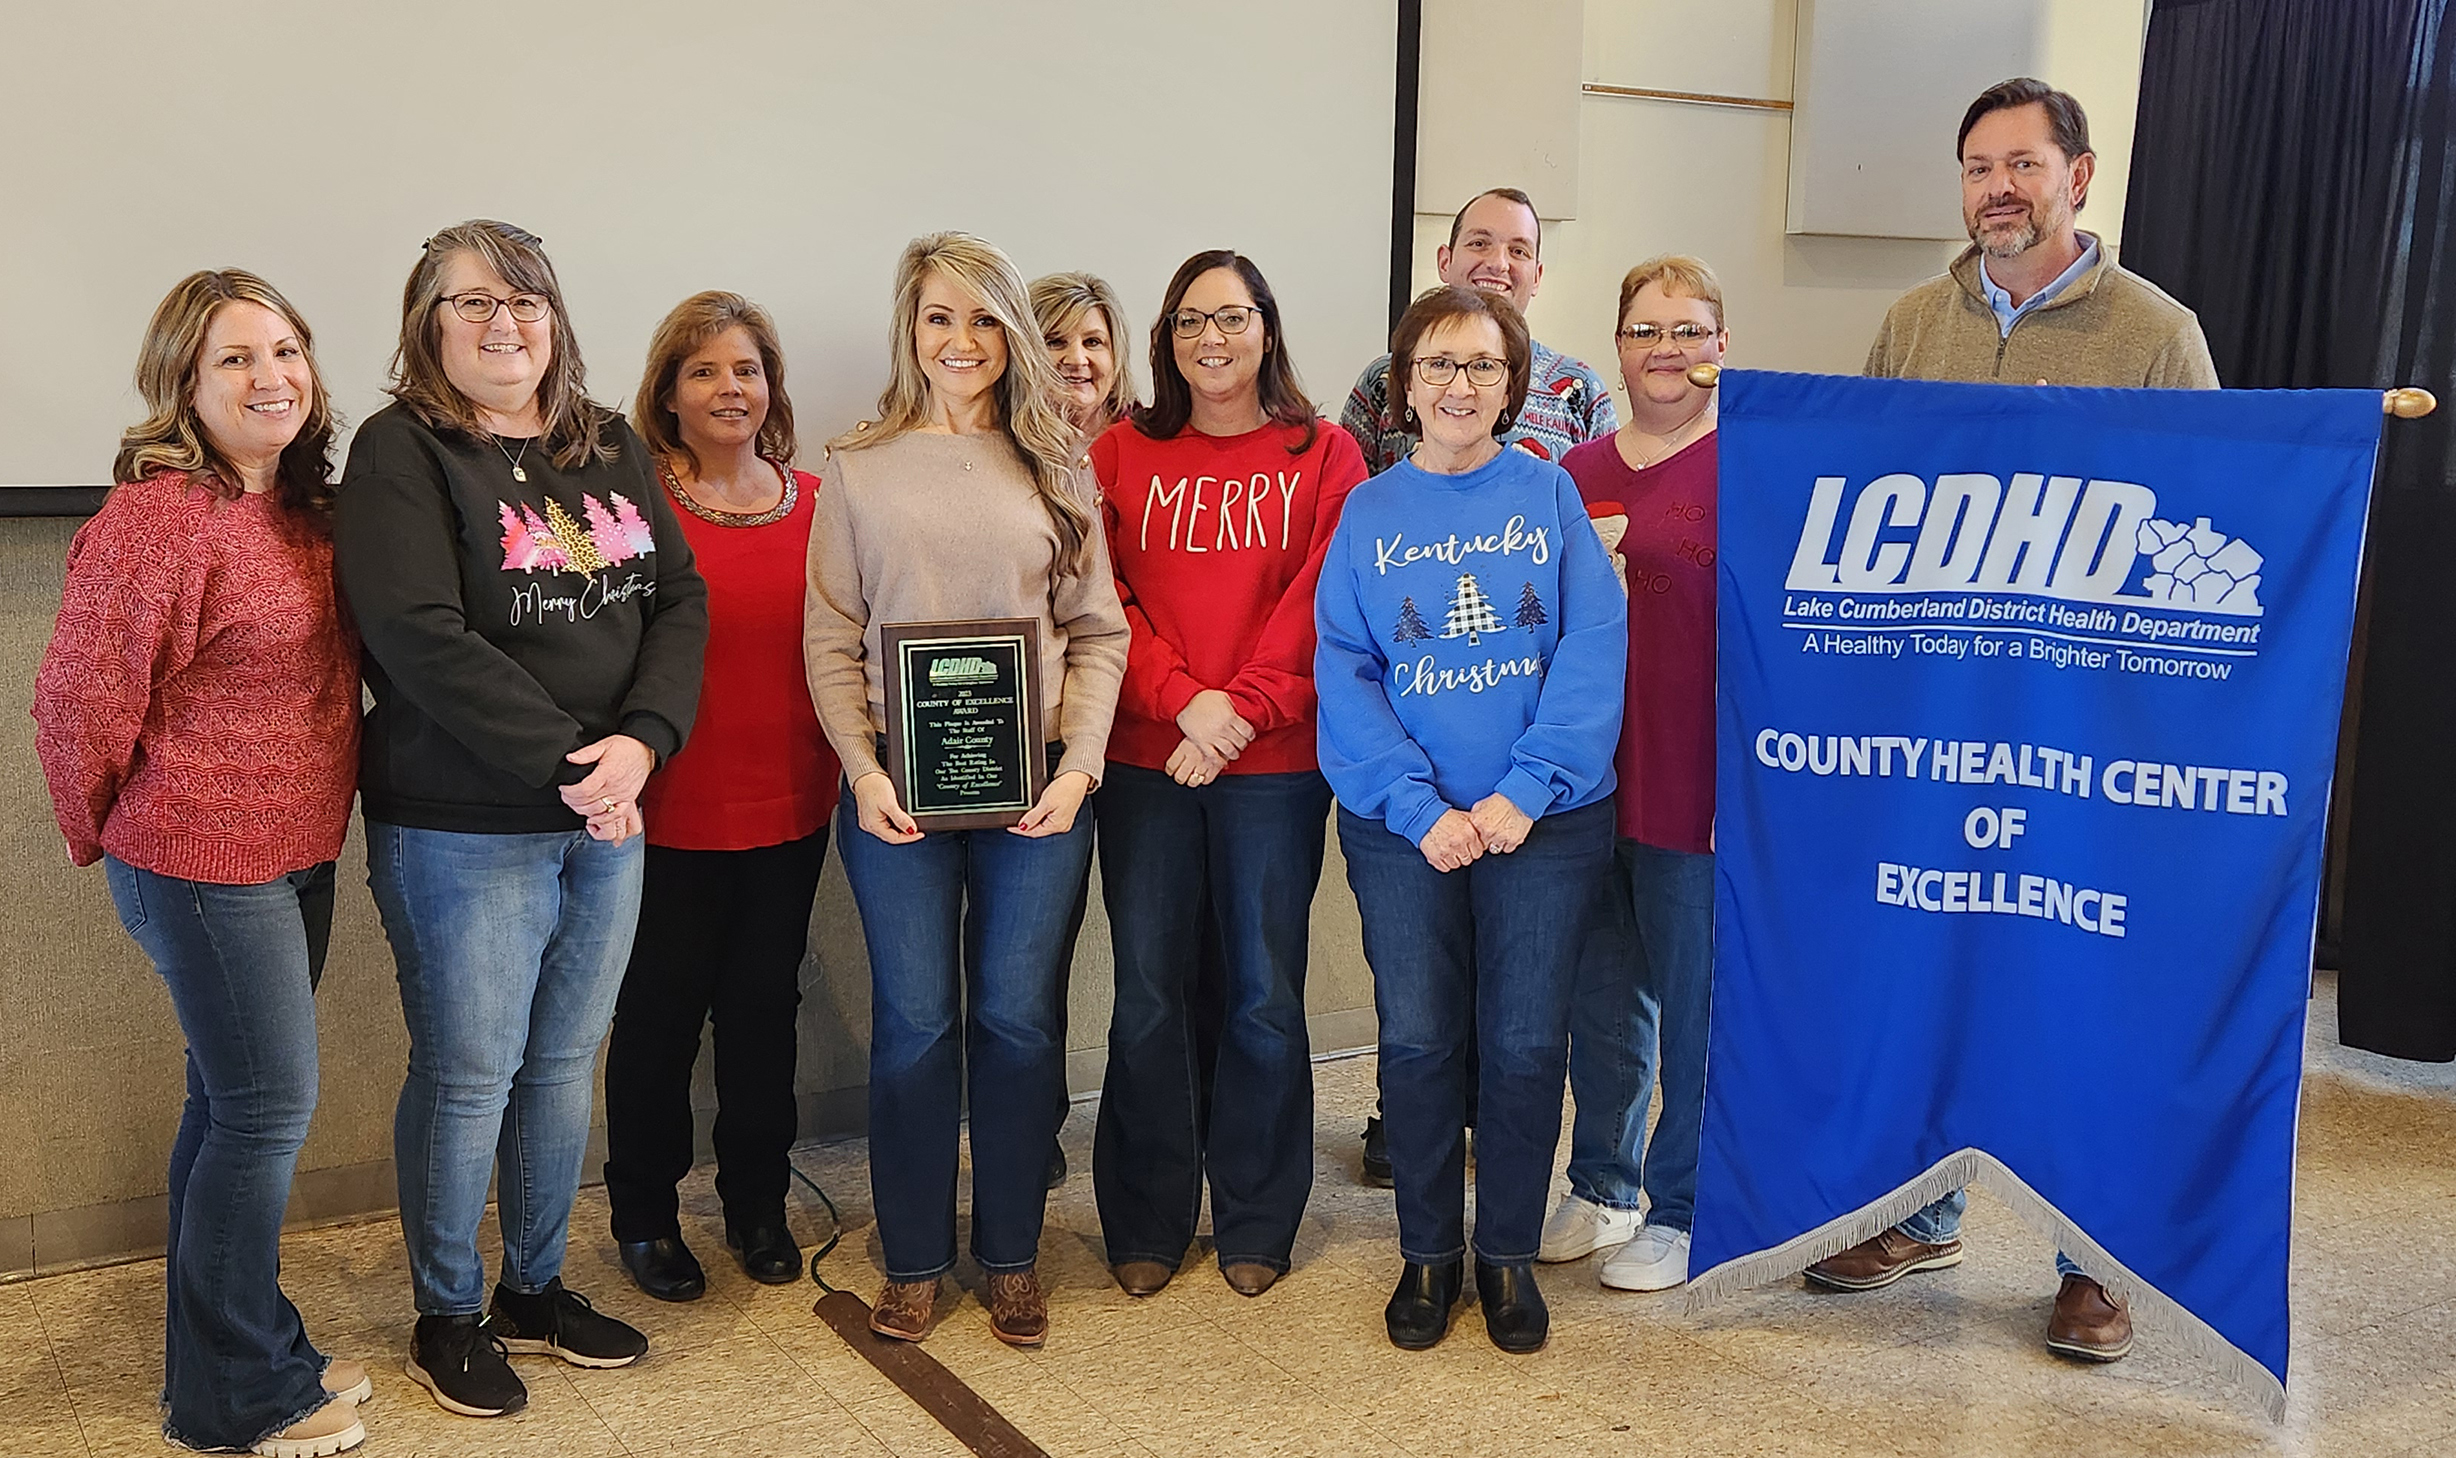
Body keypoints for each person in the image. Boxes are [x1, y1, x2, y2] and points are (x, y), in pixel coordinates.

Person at [1813, 77, 2220, 1364]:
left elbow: (2213, 513)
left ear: (2076, 178)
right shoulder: (1907, 326)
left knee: (2073, 989)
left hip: (2083, 736)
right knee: (1927, 967)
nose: (1998, 186)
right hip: (1936, 728)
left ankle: (2091, 1263)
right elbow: (1856, 501)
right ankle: (1915, 1213)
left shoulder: (2158, 334)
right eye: (1977, 166)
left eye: (2023, 164)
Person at [335, 220, 710, 1418]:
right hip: (464, 822)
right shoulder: (400, 451)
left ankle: (534, 1291)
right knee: (467, 1073)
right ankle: (447, 1312)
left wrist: (642, 744)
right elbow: (416, 636)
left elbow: (677, 600)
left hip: (606, 809)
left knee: (556, 1068)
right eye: (473, 304)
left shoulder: (603, 444)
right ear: (427, 326)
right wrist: (575, 763)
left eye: (527, 302)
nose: (506, 325)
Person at [34, 271, 370, 1457]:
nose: (270, 376)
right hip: (198, 862)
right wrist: (101, 833)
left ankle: (248, 1348)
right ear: (184, 379)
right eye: (235, 358)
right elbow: (76, 701)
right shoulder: (160, 519)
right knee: (266, 1109)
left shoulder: (307, 511)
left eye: (285, 349)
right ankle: (236, 1401)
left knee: (225, 1109)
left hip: (294, 854)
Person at [804, 232, 1129, 1348]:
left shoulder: (1058, 464)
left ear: (1009, 336)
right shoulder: (856, 466)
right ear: (910, 327)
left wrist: (1080, 766)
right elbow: (832, 638)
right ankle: (909, 1261)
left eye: (984, 319)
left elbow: (1096, 632)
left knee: (1014, 1022)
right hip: (896, 794)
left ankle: (1010, 1257)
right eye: (940, 317)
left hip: (1036, 797)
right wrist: (860, 767)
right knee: (912, 1028)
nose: (962, 341)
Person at [1316, 284, 1626, 1354]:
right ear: (1404, 383)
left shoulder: (1547, 496)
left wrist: (1522, 793)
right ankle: (1426, 1256)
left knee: (1527, 1043)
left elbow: (1592, 647)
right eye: (1437, 365)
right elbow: (1346, 671)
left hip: (1543, 828)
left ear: (1512, 386)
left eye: (1482, 367)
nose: (1458, 386)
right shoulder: (1366, 510)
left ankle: (1501, 1257)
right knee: (1413, 1040)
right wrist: (1416, 807)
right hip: (1404, 833)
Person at [1088, 250, 1368, 1299]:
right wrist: (1181, 701)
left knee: (1261, 994)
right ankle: (1147, 1217)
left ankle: (1255, 1217)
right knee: (1148, 995)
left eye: (1233, 317)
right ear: (1165, 338)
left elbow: (1320, 600)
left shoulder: (1323, 452)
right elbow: (1101, 595)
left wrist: (1237, 710)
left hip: (1274, 765)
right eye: (1190, 321)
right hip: (1148, 757)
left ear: (1266, 328)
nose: (1212, 339)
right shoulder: (1119, 453)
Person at [601, 293, 840, 1302]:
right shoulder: (632, 505)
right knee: (656, 1018)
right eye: (702, 371)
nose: (728, 389)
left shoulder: (824, 505)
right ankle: (646, 1216)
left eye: (744, 369)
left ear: (770, 386)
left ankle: (754, 1203)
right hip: (667, 809)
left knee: (761, 1012)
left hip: (793, 802)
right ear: (666, 392)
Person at [1544, 257, 1728, 1294]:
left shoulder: (1751, 465)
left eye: (1688, 329)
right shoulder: (1572, 476)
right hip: (1587, 777)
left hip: (1696, 775)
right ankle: (1604, 1185)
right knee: (1602, 993)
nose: (1665, 348)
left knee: (1693, 998)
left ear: (1720, 346)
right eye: (1644, 329)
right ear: (1614, 346)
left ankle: (1684, 1205)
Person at [1027, 269, 1140, 1192]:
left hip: (1150, 738)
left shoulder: (1148, 445)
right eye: (1056, 341)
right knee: (1039, 950)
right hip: (1038, 743)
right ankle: (1034, 1122)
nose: (1077, 360)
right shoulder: (1000, 452)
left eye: (1094, 342)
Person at [1340, 187, 1618, 472]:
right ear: (1444, 262)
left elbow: (1603, 508)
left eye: (1518, 251)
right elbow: (1350, 498)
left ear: (1537, 276)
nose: (1498, 263)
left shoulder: (1579, 388)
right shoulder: (1384, 380)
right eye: (1479, 243)